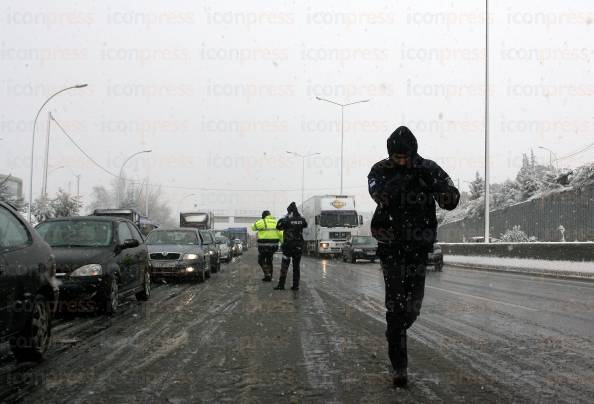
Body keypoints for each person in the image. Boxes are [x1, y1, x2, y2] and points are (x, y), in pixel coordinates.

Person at [368, 126, 459, 387]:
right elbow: (379, 195)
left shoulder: (428, 168)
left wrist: (446, 193)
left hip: (419, 247)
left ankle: (394, 331)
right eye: (397, 157)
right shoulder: (379, 170)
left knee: (413, 306)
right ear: (390, 154)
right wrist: (404, 176)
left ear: (413, 152)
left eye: (405, 157)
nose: (401, 161)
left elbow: (448, 197)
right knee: (395, 306)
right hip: (391, 246)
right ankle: (400, 368)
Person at [274, 202, 307, 291]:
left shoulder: (286, 220)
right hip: (298, 247)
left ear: (290, 212)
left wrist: (285, 218)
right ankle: (295, 286)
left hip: (288, 246)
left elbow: (278, 227)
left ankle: (281, 285)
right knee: (296, 267)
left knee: (284, 266)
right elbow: (305, 224)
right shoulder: (301, 219)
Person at [251, 210, 282, 282]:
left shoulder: (262, 222)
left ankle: (267, 274)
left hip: (263, 246)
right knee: (269, 260)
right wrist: (283, 243)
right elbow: (281, 234)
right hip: (274, 246)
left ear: (263, 216)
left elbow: (253, 227)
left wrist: (257, 222)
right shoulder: (276, 222)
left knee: (261, 260)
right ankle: (269, 277)